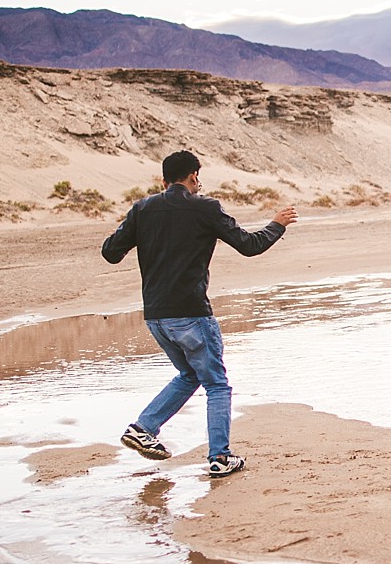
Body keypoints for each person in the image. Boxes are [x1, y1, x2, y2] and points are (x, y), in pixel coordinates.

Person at [101, 149, 296, 477]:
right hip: (191, 313)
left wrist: (142, 231)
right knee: (217, 384)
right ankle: (220, 457)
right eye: (198, 178)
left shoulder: (143, 208)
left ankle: (143, 427)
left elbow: (110, 252)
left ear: (163, 181)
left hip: (156, 316)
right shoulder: (206, 208)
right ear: (193, 176)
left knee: (191, 375)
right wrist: (277, 224)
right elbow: (249, 246)